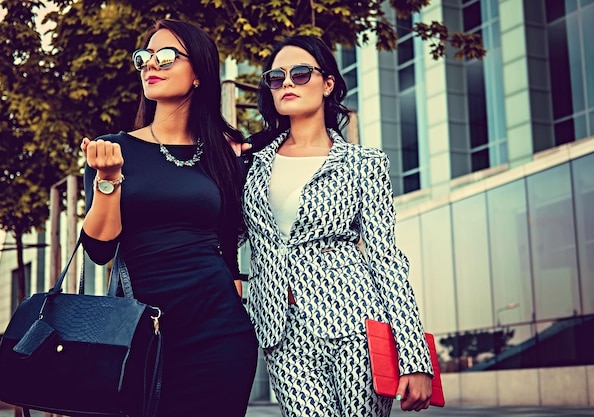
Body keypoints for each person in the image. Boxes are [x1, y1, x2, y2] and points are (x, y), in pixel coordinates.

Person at [240, 35, 434, 416]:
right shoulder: (250, 163)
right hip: (282, 331)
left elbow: (386, 258)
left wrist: (414, 356)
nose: (288, 83)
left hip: (358, 324)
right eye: (277, 78)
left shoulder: (365, 163)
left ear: (328, 84)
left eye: (300, 73)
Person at [79, 19, 258, 417]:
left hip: (219, 332)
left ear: (199, 74)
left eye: (165, 56)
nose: (150, 65)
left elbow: (229, 243)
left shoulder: (222, 157)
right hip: (144, 330)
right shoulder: (113, 149)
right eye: (144, 57)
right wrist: (108, 181)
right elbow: (98, 249)